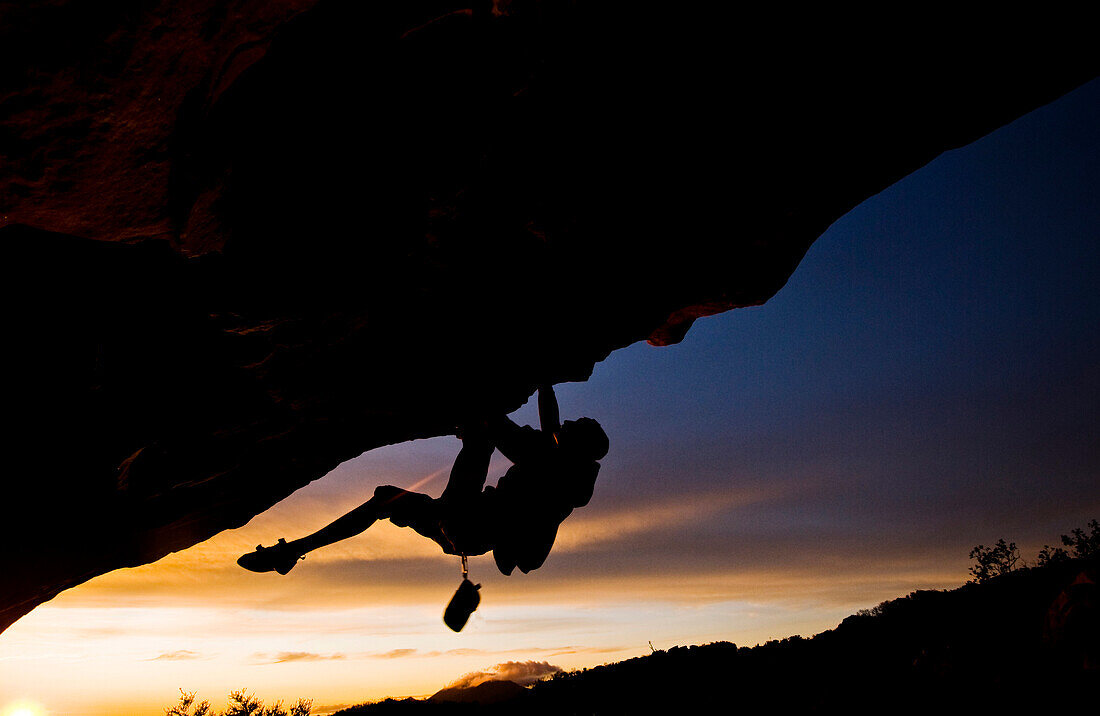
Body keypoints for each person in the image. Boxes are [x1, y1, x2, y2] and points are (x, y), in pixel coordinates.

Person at [236, 385, 609, 578]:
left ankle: (290, 553)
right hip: (462, 527)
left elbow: (518, 430)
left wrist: (484, 421)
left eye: (578, 426)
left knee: (483, 427)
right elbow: (551, 426)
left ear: (578, 445)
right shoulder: (562, 464)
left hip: (467, 522)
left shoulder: (557, 471)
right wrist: (544, 384)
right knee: (385, 498)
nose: (568, 424)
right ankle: (290, 554)